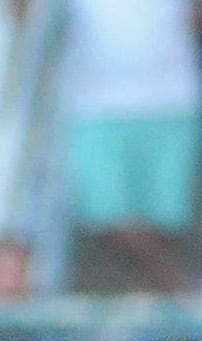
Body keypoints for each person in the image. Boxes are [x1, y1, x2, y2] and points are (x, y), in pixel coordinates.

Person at [38, 0, 202, 295]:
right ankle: (183, 294)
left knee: (165, 222)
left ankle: (151, 311)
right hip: (93, 106)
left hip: (170, 102)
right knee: (104, 216)